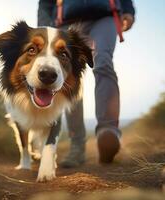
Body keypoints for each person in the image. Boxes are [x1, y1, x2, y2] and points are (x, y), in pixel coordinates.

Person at [37, 0, 135, 167]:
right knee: (71, 77)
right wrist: (44, 26)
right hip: (66, 20)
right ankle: (77, 146)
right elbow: (46, 2)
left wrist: (128, 9)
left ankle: (108, 132)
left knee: (103, 62)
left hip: (104, 15)